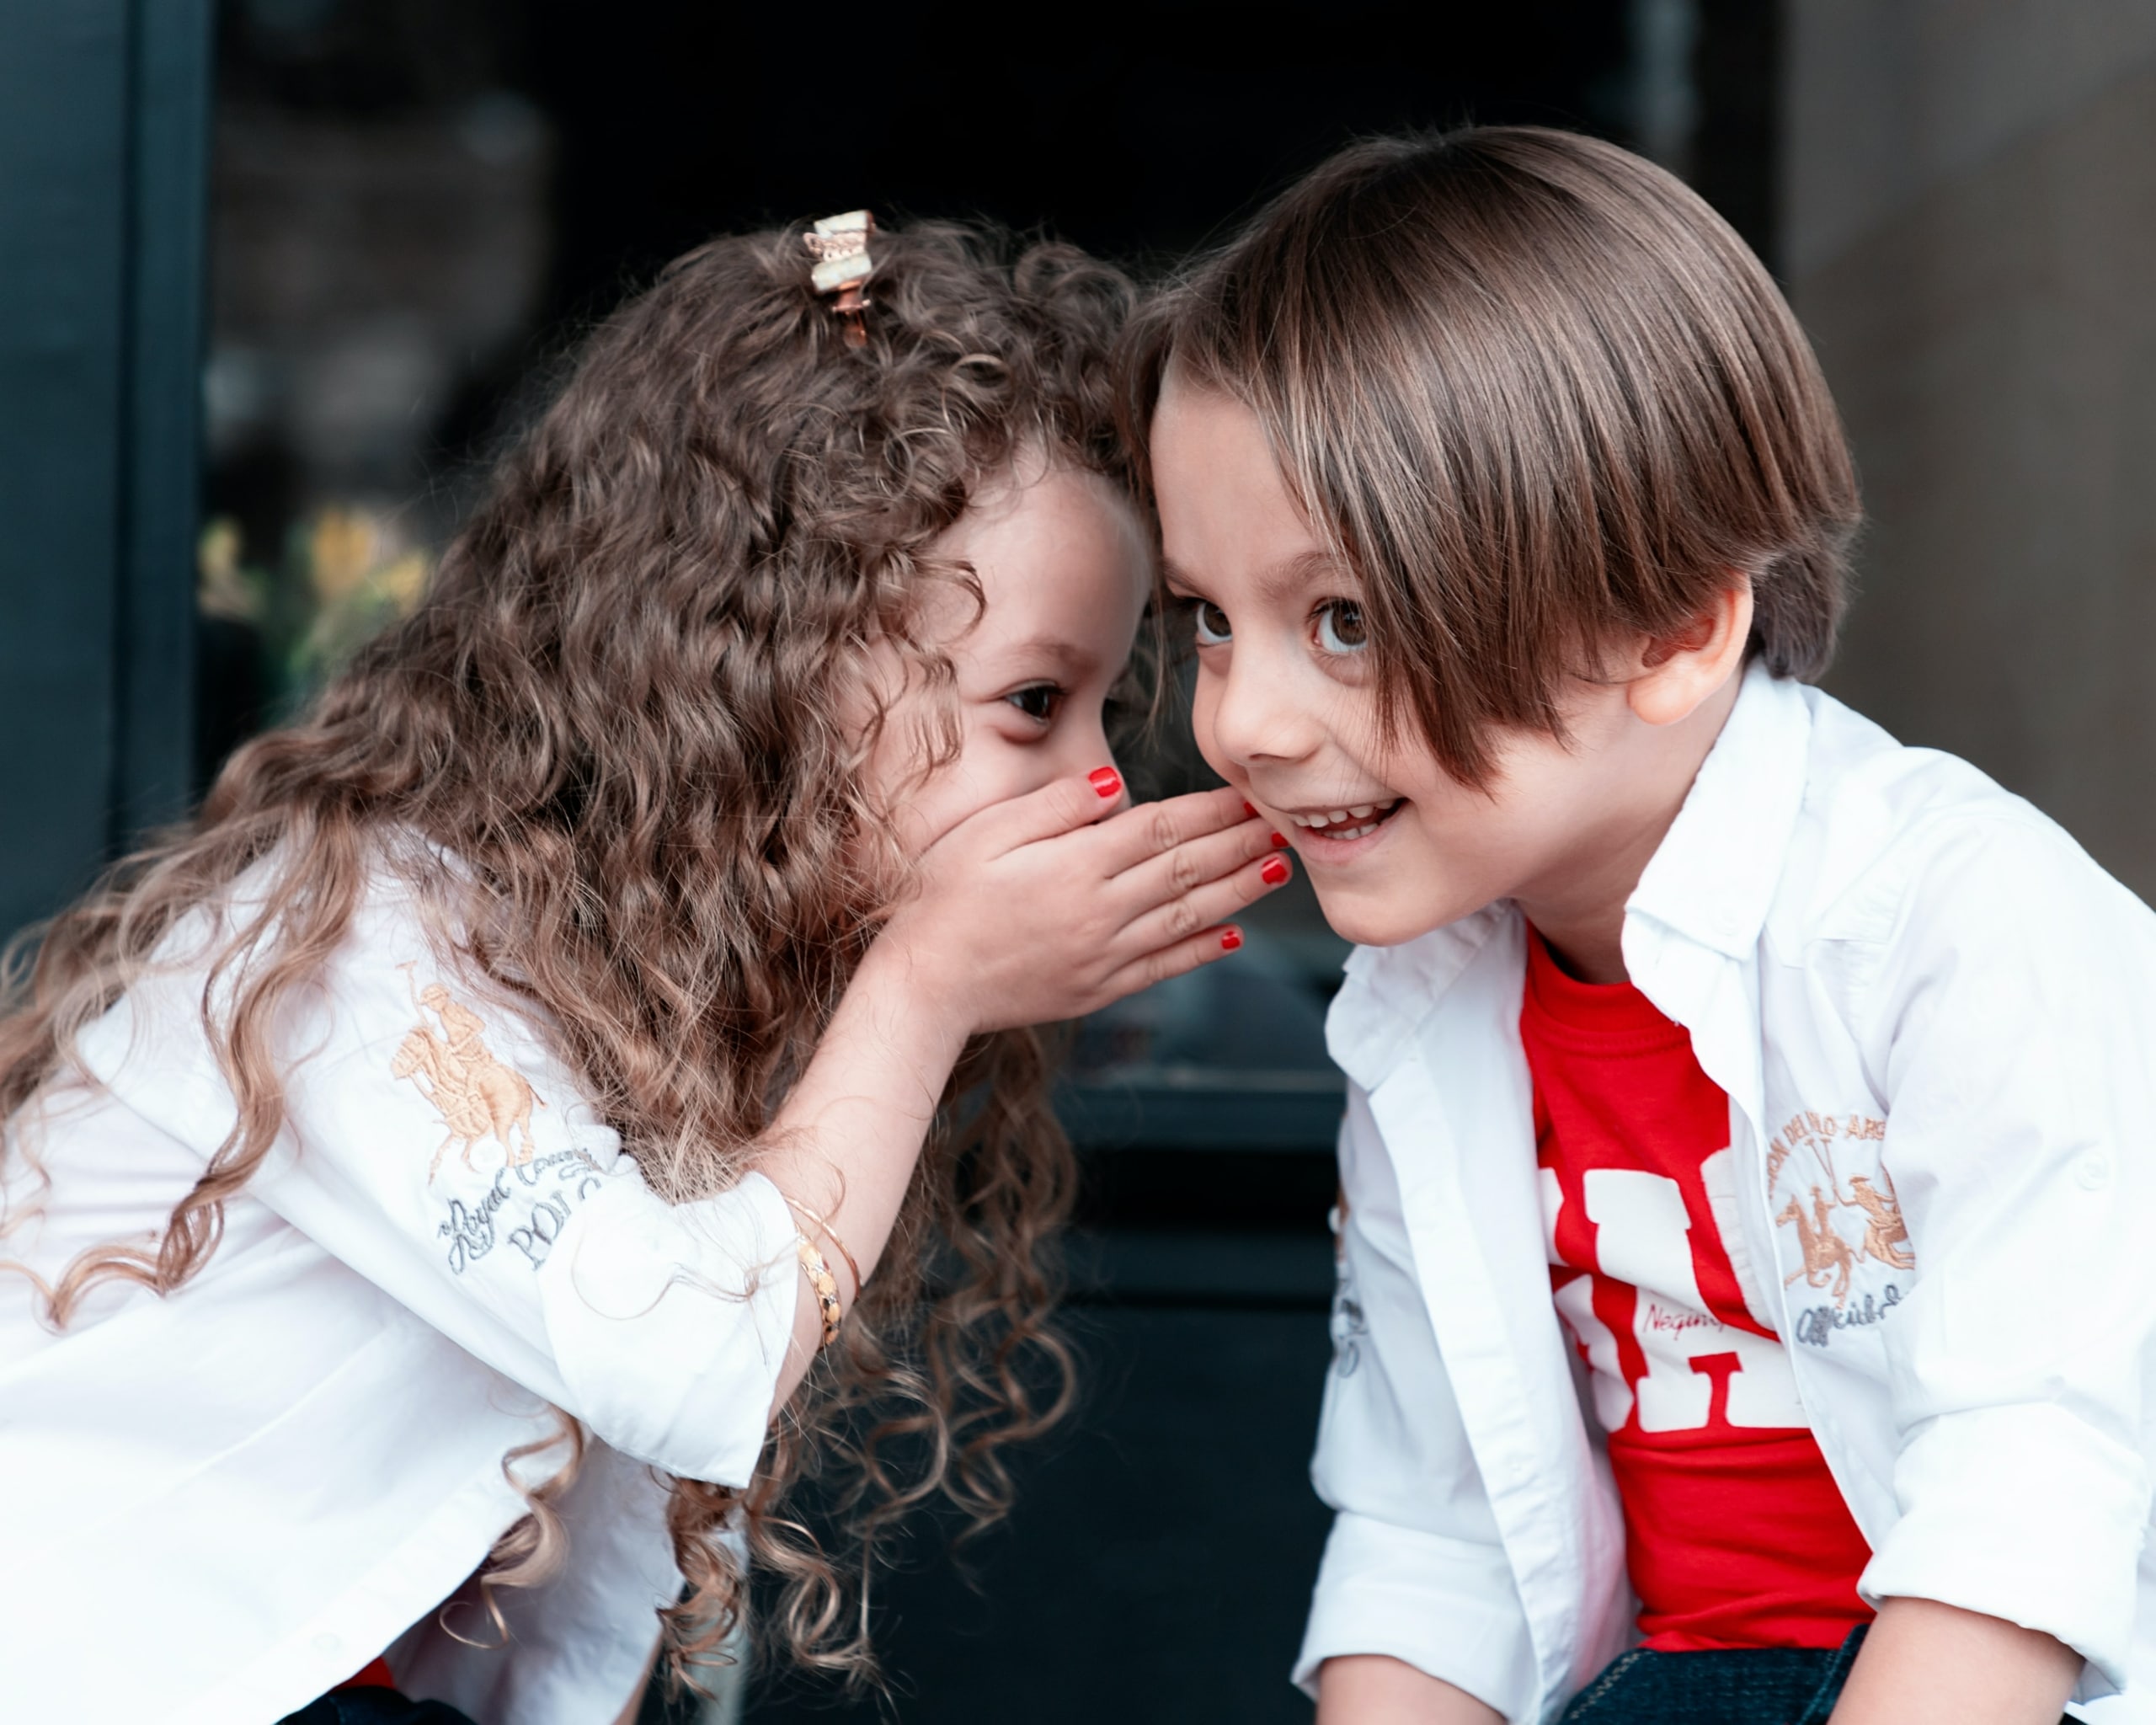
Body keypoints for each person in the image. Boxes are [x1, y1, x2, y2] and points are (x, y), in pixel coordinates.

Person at [0, 216, 1293, 1725]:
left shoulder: (657, 972)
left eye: (1103, 705)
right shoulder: (362, 943)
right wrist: (929, 985)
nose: (1096, 784)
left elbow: (595, 1586)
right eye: (1033, 703)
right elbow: (684, 1360)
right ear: (771, 662)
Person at [1123, 127, 2156, 1724]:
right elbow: (1432, 1540)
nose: (1244, 722)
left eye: (1344, 621)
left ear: (1675, 626)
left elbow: (2032, 1508)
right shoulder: (1426, 1001)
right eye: (1210, 617)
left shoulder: (1957, 925)